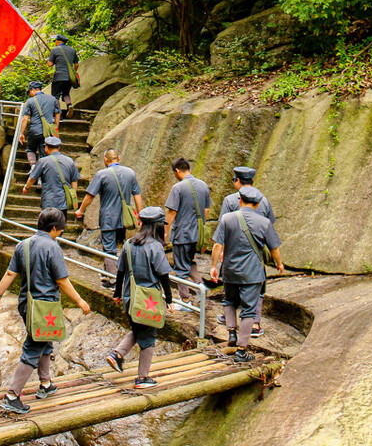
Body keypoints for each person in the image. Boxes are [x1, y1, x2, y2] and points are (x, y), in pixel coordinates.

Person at [0, 208, 90, 414]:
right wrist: (80, 300)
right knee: (34, 347)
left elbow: (10, 273)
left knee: (44, 342)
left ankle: (45, 384)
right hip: (45, 307)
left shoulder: (22, 245)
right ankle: (12, 395)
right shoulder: (52, 247)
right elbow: (61, 280)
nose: (61, 233)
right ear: (54, 228)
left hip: (27, 304)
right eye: (60, 229)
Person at [210, 188, 284, 361]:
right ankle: (241, 351)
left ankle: (231, 334)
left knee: (228, 300)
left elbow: (217, 245)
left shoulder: (227, 218)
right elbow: (274, 248)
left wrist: (214, 266)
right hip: (252, 273)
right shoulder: (264, 222)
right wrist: (279, 264)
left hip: (230, 270)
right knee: (249, 311)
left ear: (240, 200)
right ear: (258, 204)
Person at [107, 207, 174, 389]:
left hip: (131, 297)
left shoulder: (129, 244)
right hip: (148, 300)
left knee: (139, 328)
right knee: (149, 337)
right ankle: (142, 378)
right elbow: (163, 276)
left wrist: (117, 294)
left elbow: (120, 271)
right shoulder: (155, 247)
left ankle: (117, 354)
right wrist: (169, 299)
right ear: (157, 226)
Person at [76, 149, 143, 284]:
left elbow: (90, 195)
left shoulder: (102, 174)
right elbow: (137, 194)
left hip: (108, 216)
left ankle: (114, 280)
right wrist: (139, 214)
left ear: (106, 160)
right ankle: (107, 274)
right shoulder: (130, 173)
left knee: (108, 248)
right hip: (124, 217)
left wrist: (81, 210)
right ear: (118, 158)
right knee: (117, 245)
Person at [163, 158, 212, 304]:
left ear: (177, 170)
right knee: (189, 262)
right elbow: (206, 209)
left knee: (180, 268)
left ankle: (185, 300)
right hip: (197, 234)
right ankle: (201, 287)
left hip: (182, 234)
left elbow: (172, 213)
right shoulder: (203, 186)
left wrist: (164, 232)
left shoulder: (178, 188)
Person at [23, 135, 80, 211]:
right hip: (64, 202)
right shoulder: (70, 161)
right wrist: (73, 195)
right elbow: (74, 181)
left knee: (48, 221)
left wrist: (26, 188)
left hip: (48, 202)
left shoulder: (43, 161)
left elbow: (32, 178)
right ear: (58, 148)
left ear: (46, 147)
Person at [18, 81, 61, 165]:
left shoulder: (30, 101)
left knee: (30, 149)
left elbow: (25, 119)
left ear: (33, 90)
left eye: (30, 91)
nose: (30, 93)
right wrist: (55, 128)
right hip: (47, 132)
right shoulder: (52, 99)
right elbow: (57, 114)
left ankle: (33, 165)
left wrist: (21, 133)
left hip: (34, 130)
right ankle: (41, 174)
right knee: (44, 152)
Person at [47, 34, 80, 115]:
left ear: (58, 41)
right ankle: (69, 105)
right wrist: (73, 72)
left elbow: (50, 64)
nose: (55, 43)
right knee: (66, 93)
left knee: (55, 95)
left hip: (59, 76)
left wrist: (50, 59)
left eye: (55, 41)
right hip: (69, 77)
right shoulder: (72, 50)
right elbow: (76, 64)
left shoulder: (55, 50)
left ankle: (59, 113)